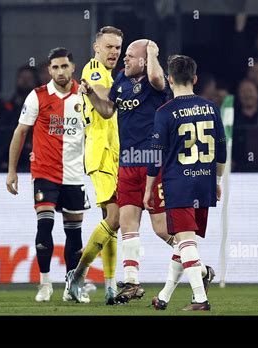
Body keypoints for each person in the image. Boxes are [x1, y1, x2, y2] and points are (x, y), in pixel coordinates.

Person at [71, 39, 173, 304]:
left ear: (144, 59)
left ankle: (195, 262)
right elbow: (107, 111)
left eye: (129, 55)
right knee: (127, 224)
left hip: (153, 163)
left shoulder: (155, 83)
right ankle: (131, 282)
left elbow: (154, 75)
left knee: (161, 229)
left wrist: (152, 49)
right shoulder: (121, 82)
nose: (123, 58)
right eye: (122, 53)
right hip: (127, 162)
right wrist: (92, 94)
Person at [6, 47, 90, 303]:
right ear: (49, 70)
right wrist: (12, 171)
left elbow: (98, 131)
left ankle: (72, 286)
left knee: (74, 235)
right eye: (55, 67)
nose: (60, 71)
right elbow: (20, 132)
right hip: (45, 172)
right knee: (45, 225)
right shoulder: (37, 96)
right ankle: (44, 284)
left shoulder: (85, 96)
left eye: (64, 66)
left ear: (73, 67)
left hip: (75, 174)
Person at [144, 55, 226, 311]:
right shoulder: (211, 108)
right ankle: (164, 296)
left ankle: (200, 299)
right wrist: (218, 180)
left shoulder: (165, 112)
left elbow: (156, 155)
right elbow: (221, 150)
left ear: (169, 79)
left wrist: (148, 189)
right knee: (184, 242)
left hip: (179, 182)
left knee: (185, 241)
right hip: (204, 181)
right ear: (195, 79)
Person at [69, 26, 123, 305]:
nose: (114, 52)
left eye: (117, 47)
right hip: (100, 154)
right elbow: (106, 109)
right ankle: (77, 276)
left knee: (111, 223)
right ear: (96, 48)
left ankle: (111, 287)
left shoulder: (108, 74)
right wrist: (94, 95)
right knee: (114, 218)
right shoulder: (95, 72)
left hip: (112, 154)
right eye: (109, 47)